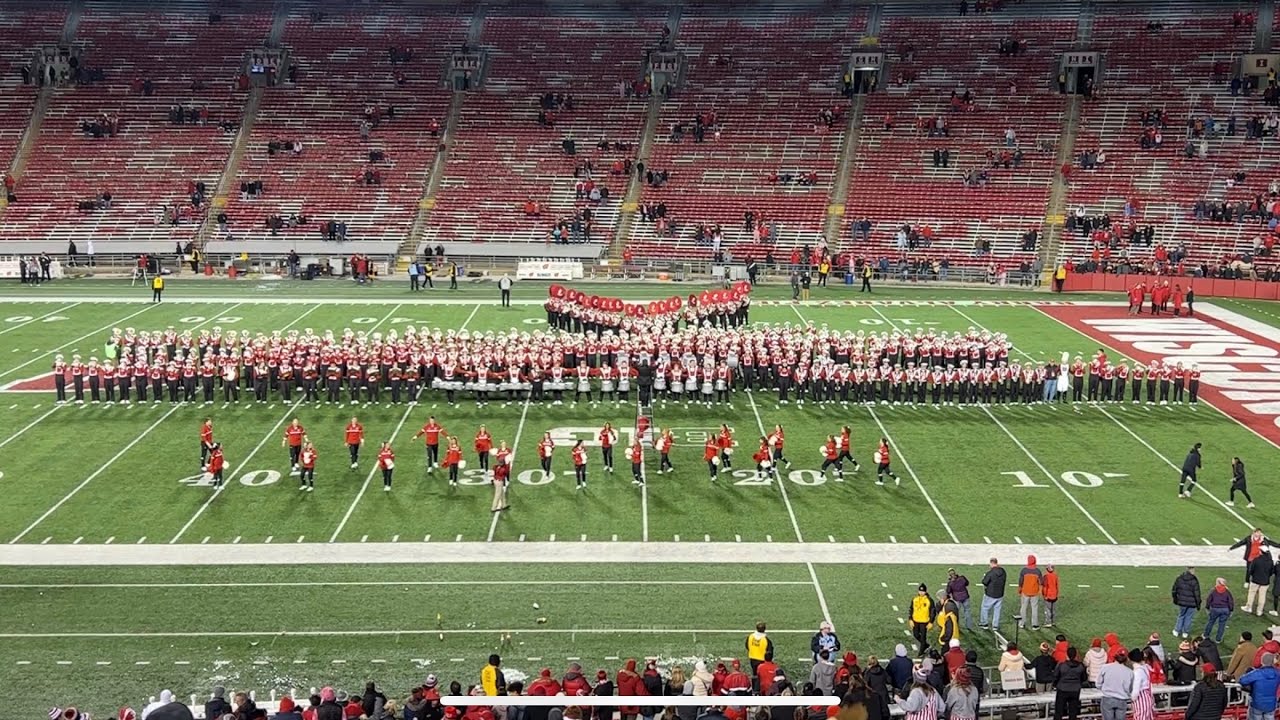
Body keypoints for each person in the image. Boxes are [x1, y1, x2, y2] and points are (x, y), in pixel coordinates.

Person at [1238, 653, 1279, 720]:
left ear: (1262, 661)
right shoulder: (1277, 673)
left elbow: (1242, 680)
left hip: (1257, 704)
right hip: (1271, 705)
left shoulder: (1257, 673)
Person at [1096, 650, 1133, 720]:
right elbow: (1129, 689)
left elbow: (1098, 683)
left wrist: (1104, 689)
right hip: (1121, 700)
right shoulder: (1129, 672)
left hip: (1108, 698)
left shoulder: (1105, 667)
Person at [1053, 647, 1087, 720]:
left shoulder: (1061, 665)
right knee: (1073, 712)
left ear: (1067, 655)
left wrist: (1056, 685)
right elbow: (1084, 678)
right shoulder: (1081, 666)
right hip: (1075, 690)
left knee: (1059, 712)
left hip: (1062, 689)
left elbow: (1055, 676)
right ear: (1075, 655)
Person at [1172, 566, 1202, 639]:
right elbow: (1197, 593)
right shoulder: (1194, 580)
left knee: (1181, 615)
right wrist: (1198, 604)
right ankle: (1185, 632)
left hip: (1182, 602)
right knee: (1188, 617)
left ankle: (1176, 630)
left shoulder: (1179, 578)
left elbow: (1174, 590)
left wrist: (1175, 599)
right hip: (1192, 603)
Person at [979, 557, 1007, 631]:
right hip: (1000, 594)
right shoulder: (1003, 571)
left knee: (985, 608)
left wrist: (984, 577)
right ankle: (995, 626)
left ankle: (984, 623)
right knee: (997, 610)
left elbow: (984, 582)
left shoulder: (990, 573)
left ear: (991, 563)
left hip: (990, 594)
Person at [1204, 577, 1235, 642]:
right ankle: (1218, 639)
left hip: (1215, 609)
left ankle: (1206, 635)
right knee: (1222, 625)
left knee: (1211, 622)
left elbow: (1208, 599)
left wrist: (1207, 607)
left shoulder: (1213, 590)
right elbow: (1230, 601)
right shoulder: (1227, 591)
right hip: (1225, 610)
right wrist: (1231, 610)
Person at [908, 583, 935, 655]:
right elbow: (911, 609)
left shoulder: (929, 600)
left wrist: (931, 622)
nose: (921, 592)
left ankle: (921, 651)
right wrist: (910, 619)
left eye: (922, 591)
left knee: (923, 637)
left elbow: (932, 611)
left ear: (925, 592)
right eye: (920, 591)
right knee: (916, 635)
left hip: (924, 621)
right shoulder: (915, 599)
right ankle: (926, 645)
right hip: (915, 620)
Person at [1018, 555, 1044, 630]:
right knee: (1034, 608)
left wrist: (1020, 589)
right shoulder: (1037, 571)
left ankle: (1022, 623)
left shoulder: (1024, 570)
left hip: (1025, 591)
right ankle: (1035, 625)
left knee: (1023, 607)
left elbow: (1020, 581)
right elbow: (1041, 582)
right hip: (1034, 592)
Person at [492, 441, 511, 511]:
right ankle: (493, 508)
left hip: (496, 480)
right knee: (497, 495)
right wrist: (506, 464)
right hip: (499, 482)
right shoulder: (502, 469)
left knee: (502, 493)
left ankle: (504, 505)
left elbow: (495, 467)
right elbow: (505, 472)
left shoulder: (496, 467)